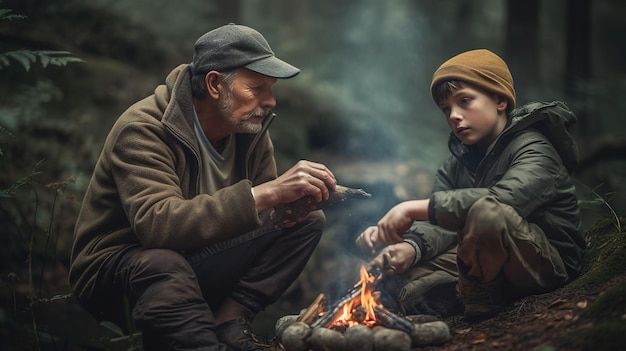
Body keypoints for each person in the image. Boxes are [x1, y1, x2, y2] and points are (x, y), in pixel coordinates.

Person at [69, 23, 337, 350]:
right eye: (257, 88)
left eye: (271, 89)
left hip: (196, 259)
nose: (270, 101)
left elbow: (265, 221)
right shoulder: (142, 129)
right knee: (163, 263)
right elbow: (158, 226)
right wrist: (270, 192)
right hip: (118, 274)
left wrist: (294, 200)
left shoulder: (250, 130)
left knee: (301, 219)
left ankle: (228, 323)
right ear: (214, 85)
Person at [356, 49, 586, 322]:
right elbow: (440, 224)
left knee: (486, 212)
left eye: (464, 101)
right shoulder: (456, 163)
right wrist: (412, 247)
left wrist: (413, 208)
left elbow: (502, 201)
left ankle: (476, 295)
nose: (454, 115)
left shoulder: (535, 147)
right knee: (396, 272)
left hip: (546, 261)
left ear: (500, 99)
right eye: (446, 109)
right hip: (486, 255)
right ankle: (440, 293)